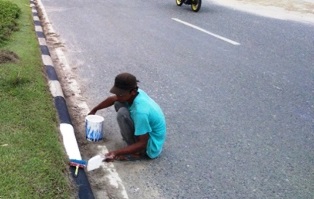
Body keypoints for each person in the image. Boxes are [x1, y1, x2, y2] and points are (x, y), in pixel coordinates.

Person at [88, 72, 166, 161]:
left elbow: (143, 143)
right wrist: (94, 110)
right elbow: (113, 99)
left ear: (133, 92)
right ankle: (132, 142)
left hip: (150, 146)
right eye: (117, 93)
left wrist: (116, 153)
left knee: (122, 114)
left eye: (121, 94)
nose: (117, 96)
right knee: (118, 102)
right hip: (148, 134)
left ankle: (137, 152)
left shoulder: (140, 112)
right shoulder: (136, 93)